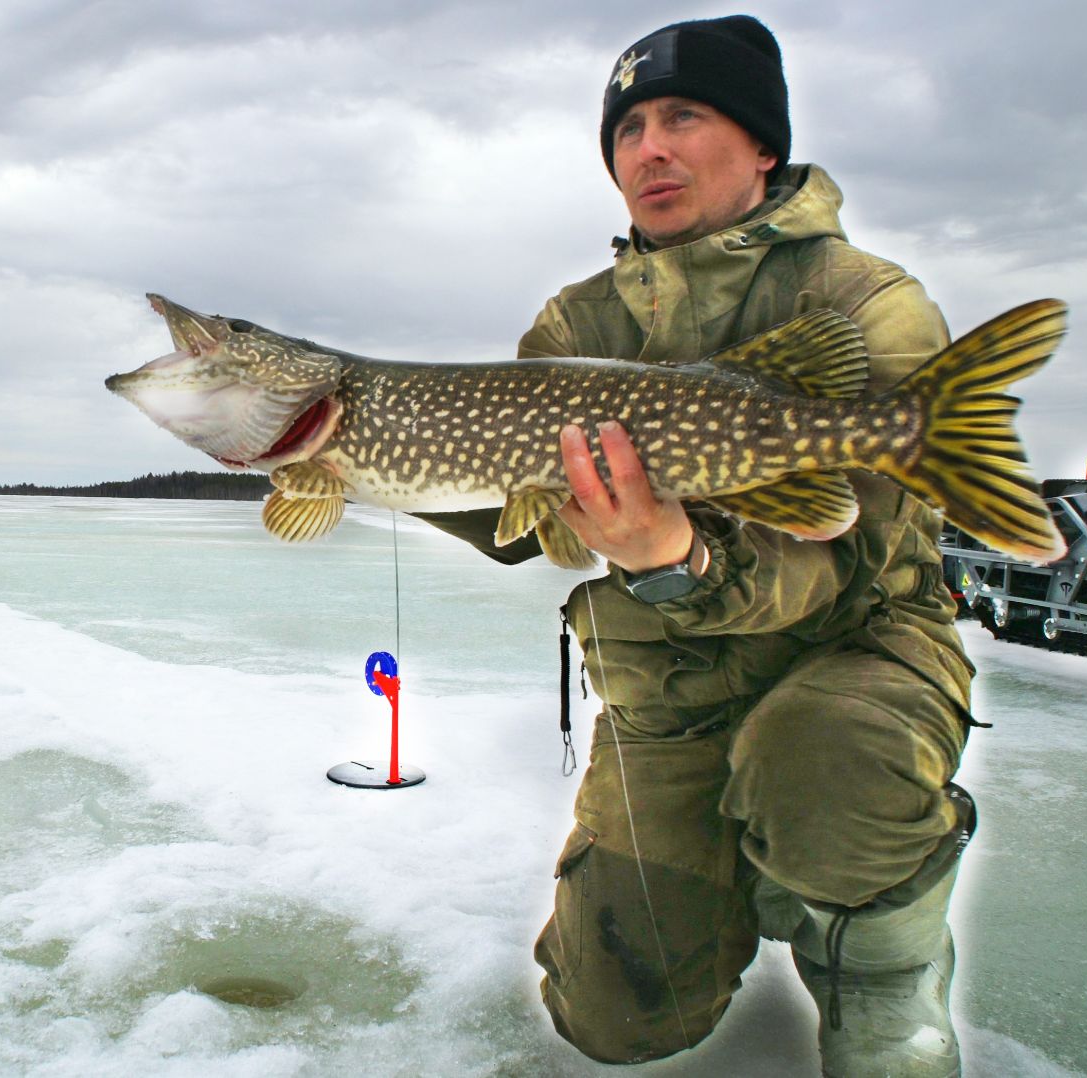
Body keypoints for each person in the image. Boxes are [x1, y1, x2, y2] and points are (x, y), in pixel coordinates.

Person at [419, 15, 977, 1077]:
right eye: (625, 129)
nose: (648, 149)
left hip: (852, 655)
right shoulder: (574, 321)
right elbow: (521, 517)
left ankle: (883, 959)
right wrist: (354, 460)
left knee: (818, 762)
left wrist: (677, 558)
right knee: (613, 1018)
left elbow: (846, 550)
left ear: (762, 144)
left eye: (682, 116)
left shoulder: (861, 302)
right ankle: (753, 864)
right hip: (670, 688)